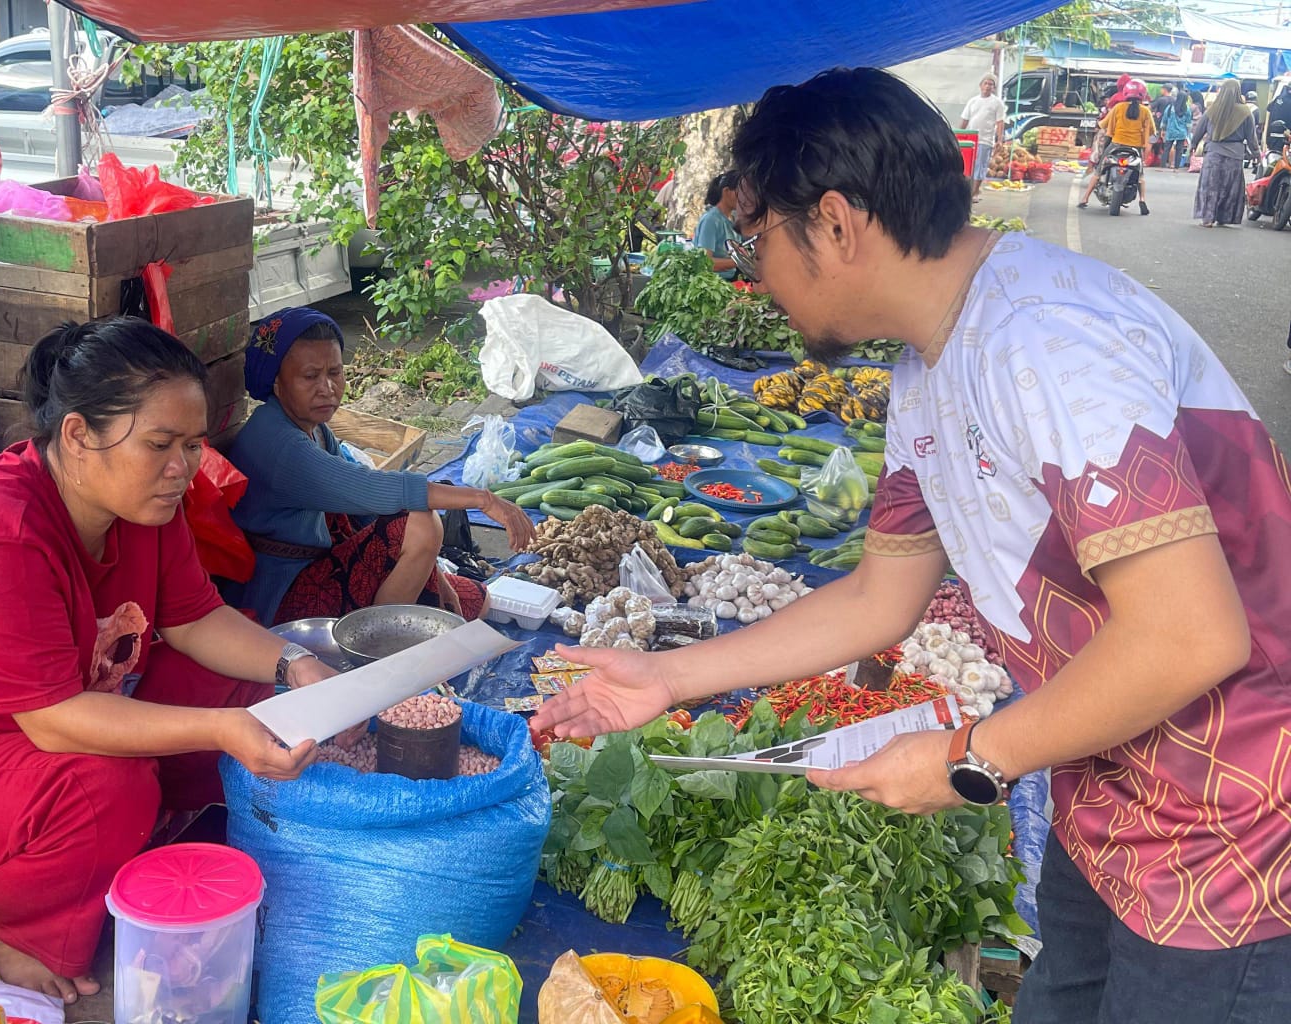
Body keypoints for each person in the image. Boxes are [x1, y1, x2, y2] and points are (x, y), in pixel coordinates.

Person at [533, 67, 1291, 1023]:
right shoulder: (929, 371)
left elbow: (1192, 637)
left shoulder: (1048, 338)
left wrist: (970, 754)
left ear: (839, 224)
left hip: (1234, 837)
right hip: (1112, 797)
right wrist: (669, 677)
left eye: (757, 239)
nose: (748, 273)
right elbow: (876, 602)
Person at [0, 318, 346, 1005]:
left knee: (238, 678)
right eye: (159, 445)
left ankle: (122, 837)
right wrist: (216, 729)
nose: (182, 468)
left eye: (191, 445)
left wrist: (295, 665)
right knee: (105, 788)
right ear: (78, 436)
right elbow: (55, 722)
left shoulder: (147, 504)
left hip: (9, 733)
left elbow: (196, 618)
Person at [224, 309, 536, 627]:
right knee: (421, 523)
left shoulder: (313, 427)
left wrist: (435, 572)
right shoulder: (277, 442)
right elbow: (373, 489)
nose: (327, 387)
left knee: (475, 602)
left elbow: (366, 515)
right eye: (310, 376)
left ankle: (388, 621)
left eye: (335, 372)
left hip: (323, 567)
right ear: (277, 383)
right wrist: (483, 499)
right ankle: (378, 645)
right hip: (283, 596)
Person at [1077, 83, 1156, 214]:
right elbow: (1152, 130)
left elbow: (1104, 124)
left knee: (1098, 171)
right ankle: (1142, 200)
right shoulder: (1145, 111)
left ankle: (1085, 198)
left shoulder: (1118, 107)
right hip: (1135, 148)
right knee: (1140, 176)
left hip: (1116, 145)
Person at [1191, 79, 1257, 227]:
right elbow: (1251, 137)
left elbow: (1199, 129)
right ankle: (1224, 217)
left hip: (1213, 153)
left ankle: (1207, 218)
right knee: (1229, 188)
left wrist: (1193, 145)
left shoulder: (1213, 109)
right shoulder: (1245, 112)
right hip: (1234, 156)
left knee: (1210, 186)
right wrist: (1256, 154)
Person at [958, 73, 1005, 199]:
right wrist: (958, 135)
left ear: (994, 88)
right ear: (980, 85)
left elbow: (1000, 122)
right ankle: (970, 192)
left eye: (991, 84)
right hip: (970, 139)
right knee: (968, 168)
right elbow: (965, 119)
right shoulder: (973, 101)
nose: (988, 86)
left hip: (985, 140)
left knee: (980, 167)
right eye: (986, 83)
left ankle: (973, 193)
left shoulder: (997, 103)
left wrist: (999, 140)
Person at [692, 169, 743, 274]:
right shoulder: (711, 220)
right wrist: (740, 262)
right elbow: (705, 262)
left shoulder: (732, 220)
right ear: (726, 192)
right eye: (740, 191)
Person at [1162, 89, 1193, 170]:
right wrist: (1188, 133)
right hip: (1181, 133)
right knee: (1179, 150)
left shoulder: (1170, 107)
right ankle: (1176, 167)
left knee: (1167, 148)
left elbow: (1165, 118)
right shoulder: (1187, 109)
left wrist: (1163, 129)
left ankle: (1163, 165)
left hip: (1171, 132)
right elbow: (1188, 123)